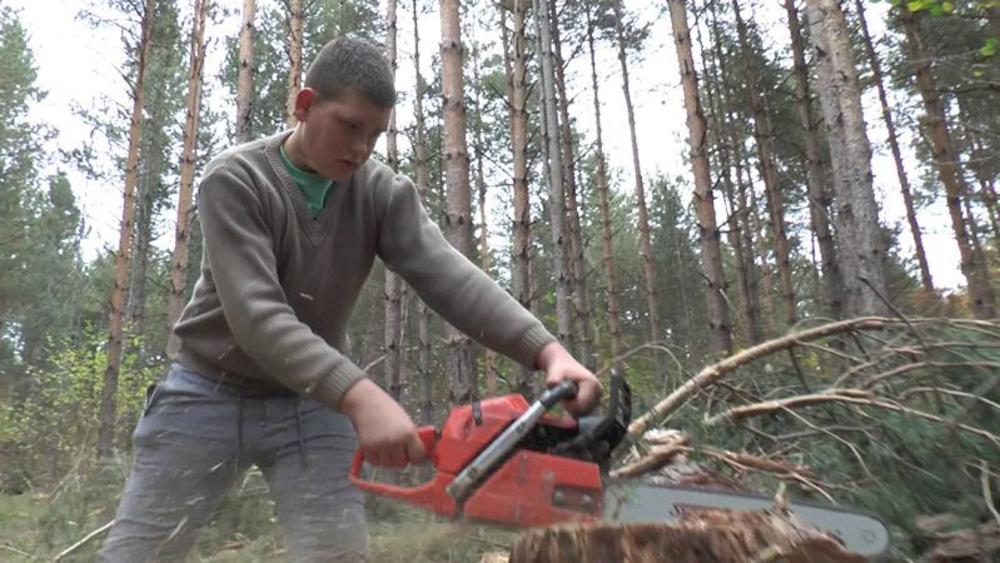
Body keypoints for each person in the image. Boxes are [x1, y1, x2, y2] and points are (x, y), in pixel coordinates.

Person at [99, 36, 602, 562]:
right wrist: (362, 397)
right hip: (205, 392)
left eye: (375, 134)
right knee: (140, 553)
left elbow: (450, 277)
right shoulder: (237, 179)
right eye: (349, 126)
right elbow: (257, 316)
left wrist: (547, 352)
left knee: (337, 554)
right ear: (305, 105)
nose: (361, 149)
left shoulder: (379, 192)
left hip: (310, 405)